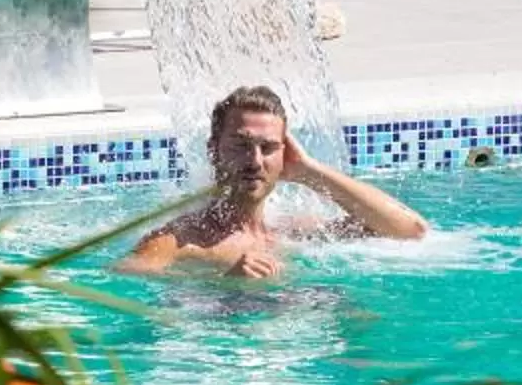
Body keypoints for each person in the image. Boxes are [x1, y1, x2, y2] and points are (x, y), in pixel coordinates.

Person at [121, 84, 427, 278]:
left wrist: (309, 171)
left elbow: (410, 230)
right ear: (214, 151)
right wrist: (225, 283)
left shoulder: (295, 231)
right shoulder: (181, 239)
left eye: (268, 148)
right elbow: (122, 278)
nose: (255, 161)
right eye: (241, 146)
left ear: (284, 154)